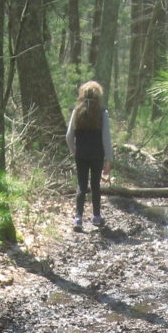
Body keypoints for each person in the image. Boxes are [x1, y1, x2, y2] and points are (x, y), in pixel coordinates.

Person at [66, 80, 113, 230]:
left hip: (81, 153)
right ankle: (96, 217)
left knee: (81, 184)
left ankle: (78, 218)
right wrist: (108, 158)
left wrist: (73, 149)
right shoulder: (102, 112)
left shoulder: (76, 111)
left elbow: (68, 136)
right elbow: (106, 138)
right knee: (95, 185)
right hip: (97, 154)